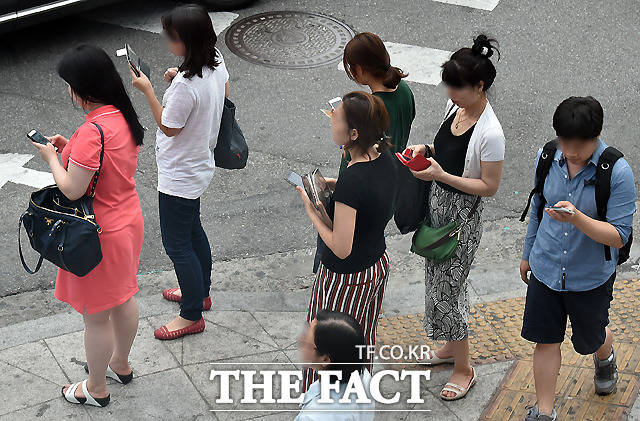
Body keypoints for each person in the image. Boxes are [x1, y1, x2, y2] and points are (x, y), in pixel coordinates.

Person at [31, 45, 144, 407]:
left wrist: (51, 157)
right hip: (128, 222)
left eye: (69, 85)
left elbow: (72, 187)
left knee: (96, 319)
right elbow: (104, 166)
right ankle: (121, 364)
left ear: (83, 89)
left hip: (98, 234)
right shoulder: (122, 117)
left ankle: (96, 388)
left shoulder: (92, 132)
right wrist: (70, 147)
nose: (68, 91)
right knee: (124, 298)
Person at [520, 97, 636, 421]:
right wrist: (527, 255)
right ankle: (544, 411)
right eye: (564, 142)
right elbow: (536, 209)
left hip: (590, 278)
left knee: (591, 338)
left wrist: (576, 219)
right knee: (545, 341)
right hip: (545, 269)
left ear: (597, 135)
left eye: (579, 145)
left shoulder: (617, 172)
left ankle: (604, 353)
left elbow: (619, 235)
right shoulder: (547, 158)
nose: (570, 152)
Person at [407, 34, 505, 401]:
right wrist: (425, 149)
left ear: (480, 86)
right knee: (437, 280)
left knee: (451, 288)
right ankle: (450, 346)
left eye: (457, 87)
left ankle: (464, 369)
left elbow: (489, 186)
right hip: (439, 206)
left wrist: (440, 176)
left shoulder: (491, 133)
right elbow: (445, 148)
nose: (450, 93)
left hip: (461, 218)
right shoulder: (457, 110)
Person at [130, 4, 230, 340]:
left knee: (177, 244)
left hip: (179, 173)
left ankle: (191, 314)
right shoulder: (215, 61)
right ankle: (200, 291)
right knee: (192, 231)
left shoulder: (187, 86)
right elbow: (223, 93)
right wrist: (178, 81)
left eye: (170, 37)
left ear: (185, 41)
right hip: (200, 164)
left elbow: (168, 126)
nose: (166, 41)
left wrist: (149, 92)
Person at [297, 91, 398, 391]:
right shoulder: (384, 158)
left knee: (326, 347)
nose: (331, 122)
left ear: (353, 134)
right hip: (375, 266)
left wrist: (312, 211)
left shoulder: (354, 179)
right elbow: (369, 193)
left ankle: (321, 403)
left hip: (345, 279)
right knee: (360, 342)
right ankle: (357, 399)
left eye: (336, 118)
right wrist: (335, 185)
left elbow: (341, 247)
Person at [312, 32, 416, 274]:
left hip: (357, 193)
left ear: (359, 70)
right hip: (386, 187)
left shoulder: (373, 110)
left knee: (336, 252)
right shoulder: (405, 91)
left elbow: (356, 156)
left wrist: (344, 134)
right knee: (369, 244)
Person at [340, 32, 416, 171]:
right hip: (396, 172)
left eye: (351, 67)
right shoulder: (404, 89)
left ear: (359, 69)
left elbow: (352, 161)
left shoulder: (369, 111)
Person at [296, 310, 374, 421]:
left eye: (306, 343)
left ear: (325, 359)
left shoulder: (312, 417)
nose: (300, 340)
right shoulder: (364, 377)